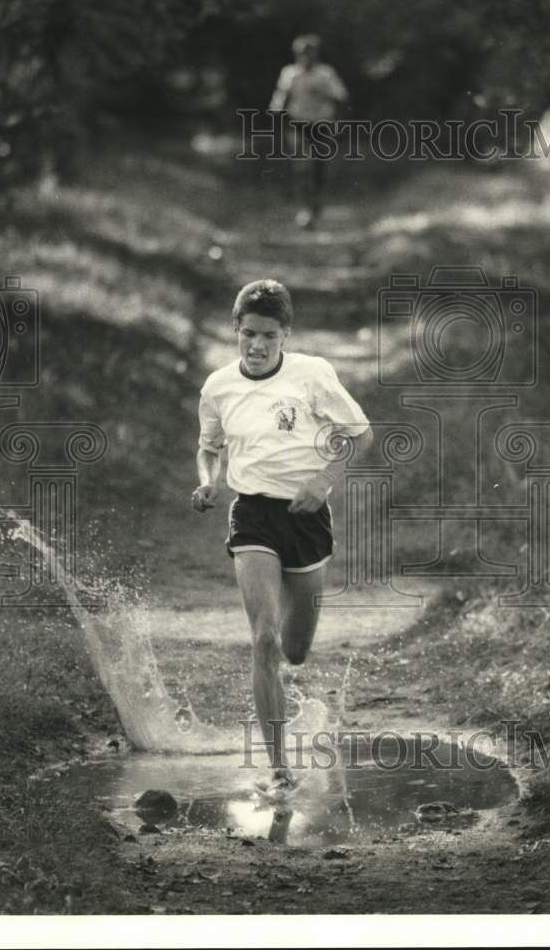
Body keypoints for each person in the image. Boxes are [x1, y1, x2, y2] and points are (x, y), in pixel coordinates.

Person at [192, 279, 372, 794]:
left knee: (294, 651)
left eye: (268, 336)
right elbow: (208, 446)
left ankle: (288, 704)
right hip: (252, 514)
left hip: (307, 518)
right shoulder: (219, 386)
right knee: (264, 639)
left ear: (285, 335)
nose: (256, 345)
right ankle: (278, 767)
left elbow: (361, 435)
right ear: (235, 331)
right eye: (248, 334)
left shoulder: (313, 375)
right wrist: (207, 481)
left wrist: (324, 481)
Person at [269, 33, 348, 229]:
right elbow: (280, 99)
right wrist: (278, 112)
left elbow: (340, 97)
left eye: (309, 53)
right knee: (302, 166)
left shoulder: (326, 74)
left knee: (319, 166)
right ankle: (305, 209)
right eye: (302, 53)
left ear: (316, 54)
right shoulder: (290, 74)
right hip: (298, 123)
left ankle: (316, 203)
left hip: (321, 124)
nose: (306, 57)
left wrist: (337, 121)